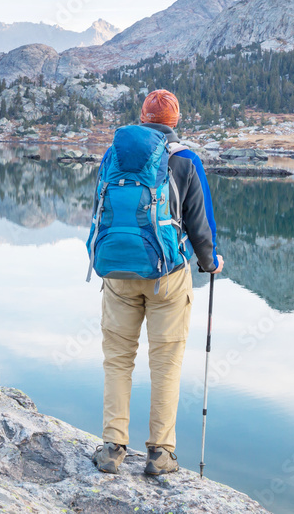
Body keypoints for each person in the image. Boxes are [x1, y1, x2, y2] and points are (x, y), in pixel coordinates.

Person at [90, 89, 224, 476]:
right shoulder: (184, 159)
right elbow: (200, 224)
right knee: (165, 364)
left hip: (116, 273)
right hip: (167, 277)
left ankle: (112, 449)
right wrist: (210, 262)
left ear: (142, 117)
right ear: (175, 121)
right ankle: (160, 454)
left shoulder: (112, 156)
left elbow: (100, 211)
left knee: (117, 360)